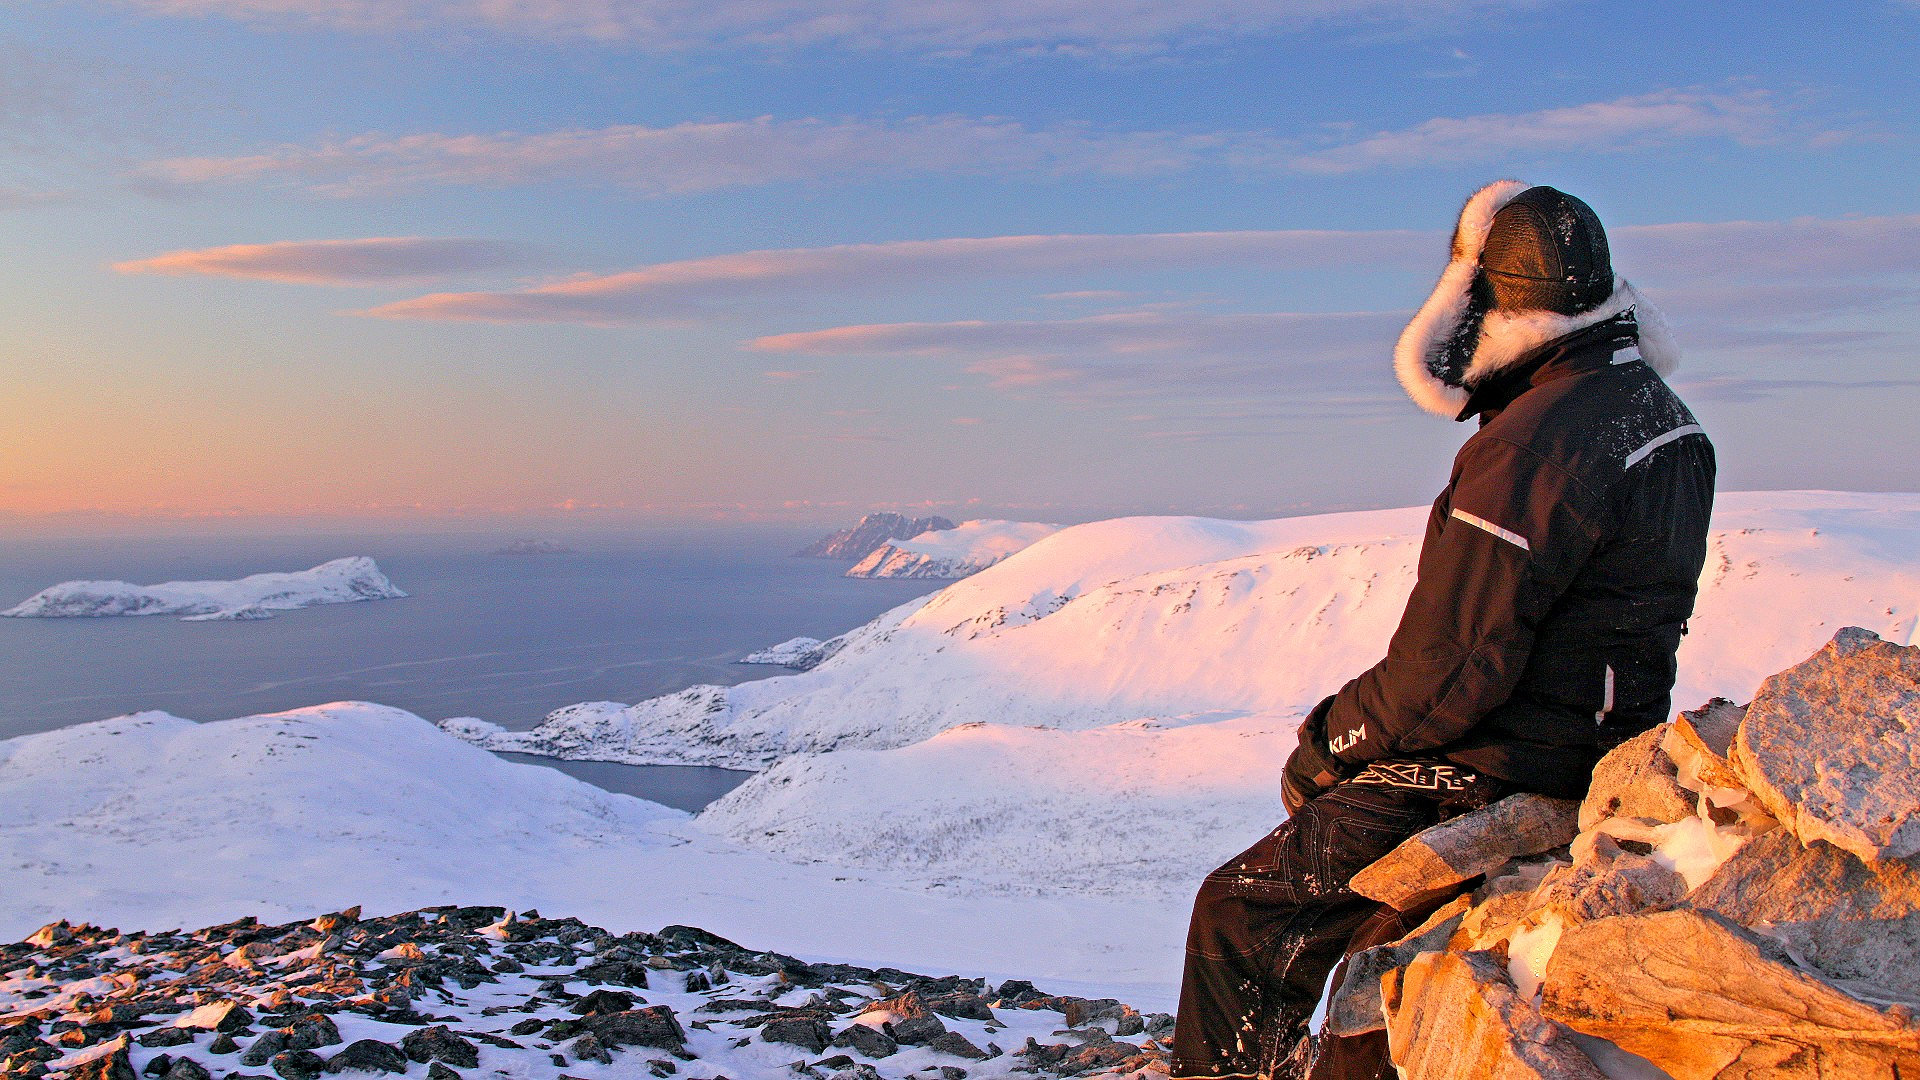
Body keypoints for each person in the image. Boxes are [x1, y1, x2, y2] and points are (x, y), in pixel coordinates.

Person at [1168, 181, 1716, 1080]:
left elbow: (1453, 665)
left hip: (1497, 763)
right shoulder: (1661, 417)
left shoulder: (1528, 445)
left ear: (1482, 295)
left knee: (1240, 912)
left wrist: (1330, 741)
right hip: (1601, 743)